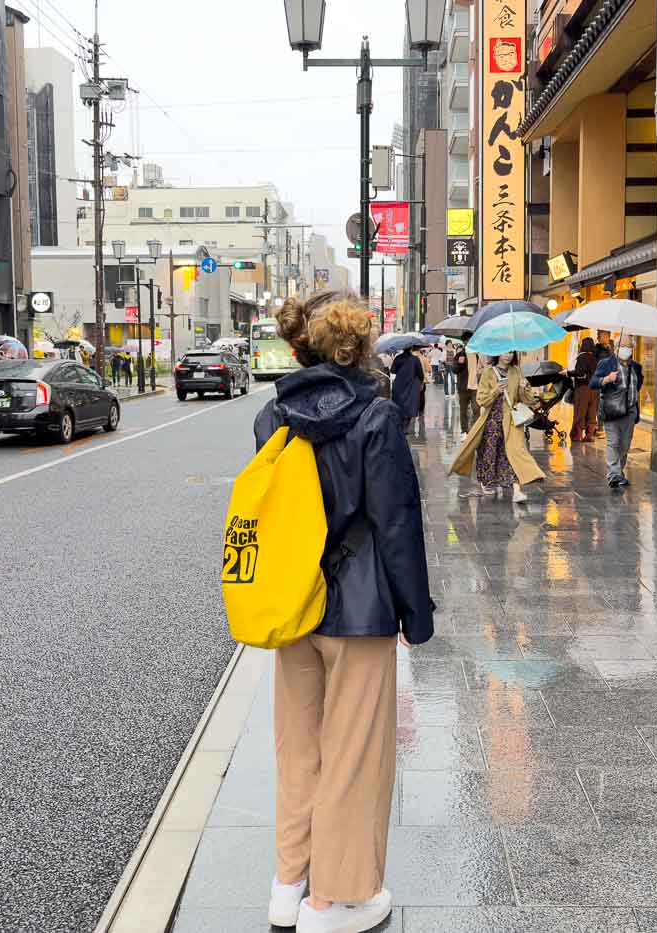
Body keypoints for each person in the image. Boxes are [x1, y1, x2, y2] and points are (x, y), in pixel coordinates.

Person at [255, 291, 433, 933]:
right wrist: (418, 614)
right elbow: (396, 524)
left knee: (298, 747)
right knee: (353, 752)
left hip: (293, 601)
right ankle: (334, 902)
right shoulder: (377, 419)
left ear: (300, 345)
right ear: (359, 348)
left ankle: (288, 883)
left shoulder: (273, 413)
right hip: (359, 609)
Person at [450, 352, 544, 502]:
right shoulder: (488, 372)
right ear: (498, 354)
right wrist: (495, 391)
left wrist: (524, 388)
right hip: (492, 421)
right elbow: (481, 399)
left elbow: (527, 399)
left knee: (513, 452)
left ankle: (517, 490)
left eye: (511, 352)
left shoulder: (516, 371)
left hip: (511, 421)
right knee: (489, 453)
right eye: (505, 352)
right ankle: (488, 483)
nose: (508, 356)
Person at [593, 334, 644, 488]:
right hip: (611, 410)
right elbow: (593, 383)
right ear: (616, 348)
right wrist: (606, 379)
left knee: (625, 445)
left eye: (629, 346)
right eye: (623, 346)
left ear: (633, 348)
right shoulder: (606, 364)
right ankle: (613, 475)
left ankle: (618, 472)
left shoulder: (636, 366)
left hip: (629, 411)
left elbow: (638, 386)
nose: (626, 349)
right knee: (613, 442)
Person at [570, 337, 601, 442]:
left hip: (583, 388)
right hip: (595, 389)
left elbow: (579, 372)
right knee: (592, 412)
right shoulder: (595, 358)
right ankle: (589, 435)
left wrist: (568, 373)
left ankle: (577, 435)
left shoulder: (582, 357)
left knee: (580, 411)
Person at [389, 346, 424, 431]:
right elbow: (420, 373)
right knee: (410, 404)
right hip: (411, 385)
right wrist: (421, 382)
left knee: (399, 403)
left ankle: (400, 424)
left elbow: (393, 370)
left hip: (399, 384)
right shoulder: (415, 359)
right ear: (411, 349)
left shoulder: (398, 358)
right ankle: (405, 426)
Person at [451, 343, 474, 434]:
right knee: (463, 410)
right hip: (463, 387)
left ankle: (473, 430)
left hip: (475, 386)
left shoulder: (477, 355)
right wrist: (460, 364)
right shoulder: (459, 355)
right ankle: (464, 430)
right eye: (466, 341)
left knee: (476, 409)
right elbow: (454, 370)